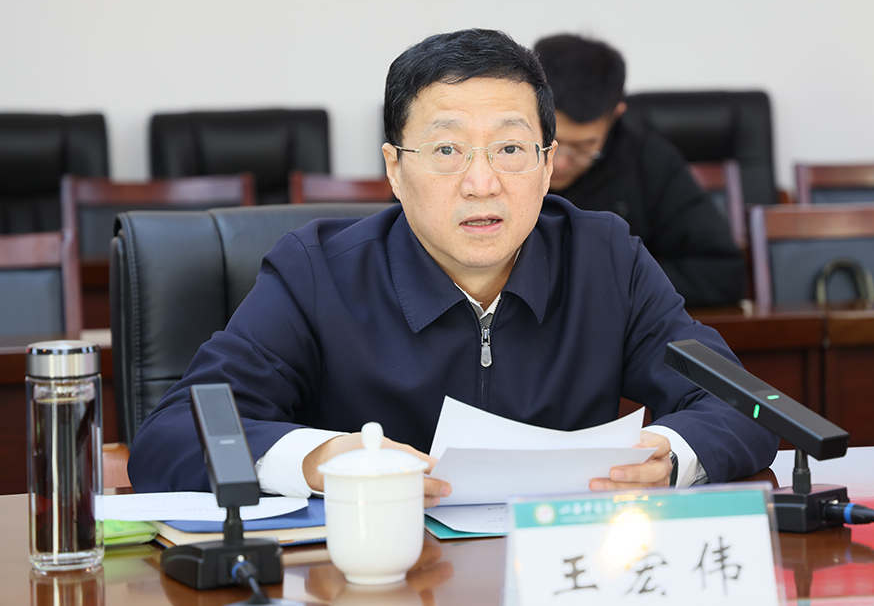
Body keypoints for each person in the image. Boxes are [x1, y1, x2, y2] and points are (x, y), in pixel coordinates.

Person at [128, 29, 777, 501]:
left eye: (510, 149)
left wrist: (673, 455)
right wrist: (318, 459)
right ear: (394, 168)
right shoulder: (318, 273)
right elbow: (173, 434)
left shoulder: (604, 257)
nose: (482, 182)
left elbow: (743, 405)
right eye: (446, 150)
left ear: (547, 165)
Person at [535, 34, 745, 307]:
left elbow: (722, 274)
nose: (561, 163)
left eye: (584, 148)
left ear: (615, 115)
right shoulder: (497, 158)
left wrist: (609, 281)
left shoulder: (650, 162)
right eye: (551, 143)